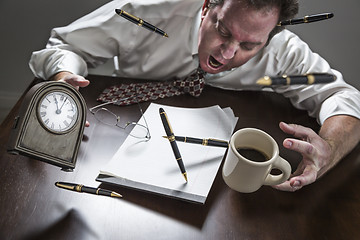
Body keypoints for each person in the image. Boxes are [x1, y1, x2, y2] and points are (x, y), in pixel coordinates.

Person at [29, 0, 360, 192]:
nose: (228, 52)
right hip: (113, 136)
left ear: (270, 37)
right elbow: (65, 47)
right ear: (207, 6)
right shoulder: (145, 13)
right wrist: (65, 78)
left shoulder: (283, 51)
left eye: (249, 45)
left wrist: (328, 148)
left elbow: (344, 98)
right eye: (223, 31)